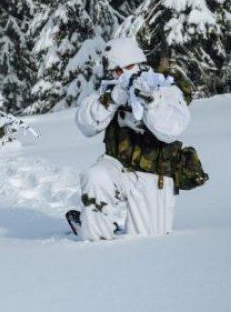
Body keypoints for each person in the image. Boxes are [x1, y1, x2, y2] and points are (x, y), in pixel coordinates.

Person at [67, 37, 192, 241]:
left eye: (129, 67)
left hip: (154, 175)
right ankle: (93, 236)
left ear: (141, 63)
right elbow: (85, 124)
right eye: (117, 70)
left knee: (149, 243)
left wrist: (150, 100)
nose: (123, 73)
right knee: (95, 177)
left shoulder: (164, 88)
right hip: (116, 166)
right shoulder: (111, 90)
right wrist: (115, 97)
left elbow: (172, 129)